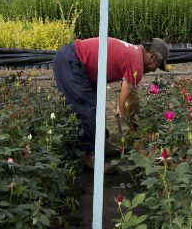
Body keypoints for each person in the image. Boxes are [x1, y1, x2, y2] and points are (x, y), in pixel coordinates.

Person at [52, 37, 169, 172]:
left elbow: (133, 101)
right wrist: (133, 130)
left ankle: (100, 144)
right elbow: (124, 104)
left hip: (74, 60)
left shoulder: (134, 54)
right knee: (87, 109)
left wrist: (137, 124)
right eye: (158, 65)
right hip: (72, 60)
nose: (155, 70)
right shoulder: (136, 62)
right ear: (152, 56)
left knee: (92, 106)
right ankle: (90, 157)